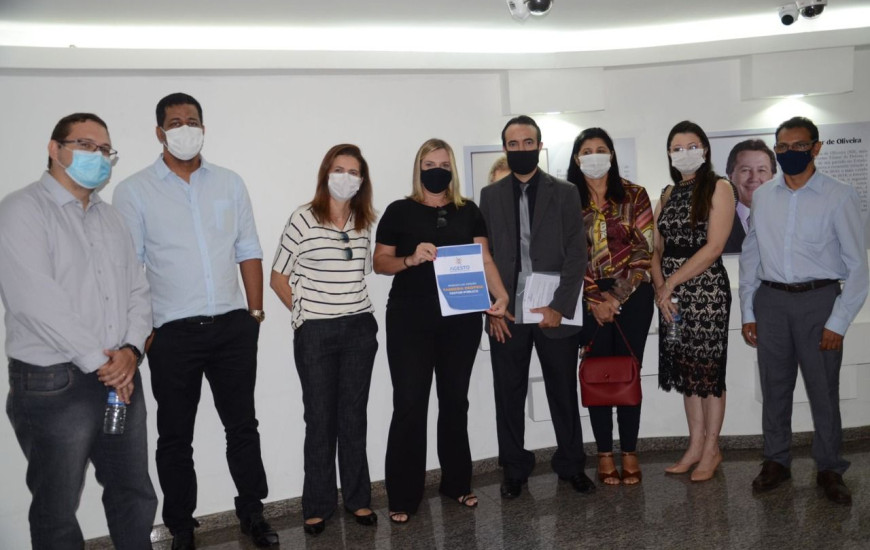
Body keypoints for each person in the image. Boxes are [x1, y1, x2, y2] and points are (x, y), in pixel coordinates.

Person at [113, 93, 277, 549]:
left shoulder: (229, 183)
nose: (185, 128)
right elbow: (131, 268)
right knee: (174, 437)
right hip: (171, 334)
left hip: (232, 327)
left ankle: (253, 512)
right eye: (175, 122)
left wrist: (254, 315)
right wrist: (144, 334)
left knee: (242, 427)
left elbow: (248, 249)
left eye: (192, 121)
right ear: (159, 132)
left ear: (203, 128)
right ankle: (181, 527)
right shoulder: (134, 191)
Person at [0, 113, 157, 549]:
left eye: (105, 150)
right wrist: (104, 364)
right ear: (55, 150)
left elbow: (138, 290)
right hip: (54, 383)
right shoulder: (21, 210)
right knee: (57, 507)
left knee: (133, 491)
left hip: (120, 375)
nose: (98, 156)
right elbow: (37, 302)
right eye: (86, 145)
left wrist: (130, 352)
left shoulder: (111, 219)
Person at [374, 138, 509, 523]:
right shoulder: (399, 211)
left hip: (460, 321)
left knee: (455, 401)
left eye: (444, 164)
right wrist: (410, 258)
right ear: (419, 169)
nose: (437, 171)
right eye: (430, 164)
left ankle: (457, 483)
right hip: (409, 320)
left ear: (453, 170)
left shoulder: (469, 211)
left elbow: (485, 259)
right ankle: (403, 495)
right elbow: (380, 262)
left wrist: (500, 297)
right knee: (410, 403)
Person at [739, 116, 868, 505]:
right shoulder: (764, 196)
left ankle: (829, 467)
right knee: (775, 387)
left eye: (798, 146)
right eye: (782, 147)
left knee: (823, 390)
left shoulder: (840, 196)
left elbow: (858, 267)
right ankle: (776, 461)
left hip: (819, 302)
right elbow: (751, 254)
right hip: (772, 302)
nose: (789, 152)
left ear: (816, 147)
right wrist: (748, 311)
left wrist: (838, 322)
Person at [479, 115, 593, 498]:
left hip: (553, 310)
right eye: (514, 144)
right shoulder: (490, 196)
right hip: (507, 312)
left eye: (528, 143)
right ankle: (514, 470)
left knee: (563, 392)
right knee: (508, 394)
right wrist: (491, 308)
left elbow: (577, 253)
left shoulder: (565, 192)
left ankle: (572, 465)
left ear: (539, 147)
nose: (521, 149)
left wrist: (560, 306)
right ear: (505, 148)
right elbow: (482, 257)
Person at [270, 144, 379, 535]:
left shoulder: (365, 222)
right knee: (319, 420)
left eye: (353, 172)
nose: (345, 177)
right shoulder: (302, 218)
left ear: (362, 180)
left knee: (353, 417)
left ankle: (358, 499)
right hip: (316, 333)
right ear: (325, 173)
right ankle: (317, 505)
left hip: (359, 329)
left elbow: (362, 273)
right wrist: (303, 315)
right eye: (339, 169)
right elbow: (277, 277)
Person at [567, 128, 655, 486]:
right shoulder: (566, 199)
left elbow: (645, 248)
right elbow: (567, 254)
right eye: (586, 151)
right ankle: (604, 453)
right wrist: (594, 298)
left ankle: (630, 450)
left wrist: (616, 297)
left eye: (601, 149)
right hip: (585, 297)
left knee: (629, 371)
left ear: (612, 155)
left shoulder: (635, 194)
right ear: (576, 159)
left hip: (632, 296)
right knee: (598, 373)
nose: (594, 156)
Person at [651, 120, 735, 482]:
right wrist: (661, 290)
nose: (684, 153)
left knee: (708, 372)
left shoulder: (720, 187)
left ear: (704, 149)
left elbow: (714, 247)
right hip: (671, 298)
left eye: (691, 146)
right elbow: (655, 248)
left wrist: (670, 283)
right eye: (676, 148)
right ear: (669, 154)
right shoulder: (667, 194)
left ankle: (712, 449)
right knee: (687, 371)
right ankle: (695, 445)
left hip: (706, 293)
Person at [722, 139, 776, 254]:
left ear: (772, 177)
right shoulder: (715, 223)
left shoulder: (788, 219)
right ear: (730, 176)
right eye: (745, 170)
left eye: (761, 170)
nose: (754, 178)